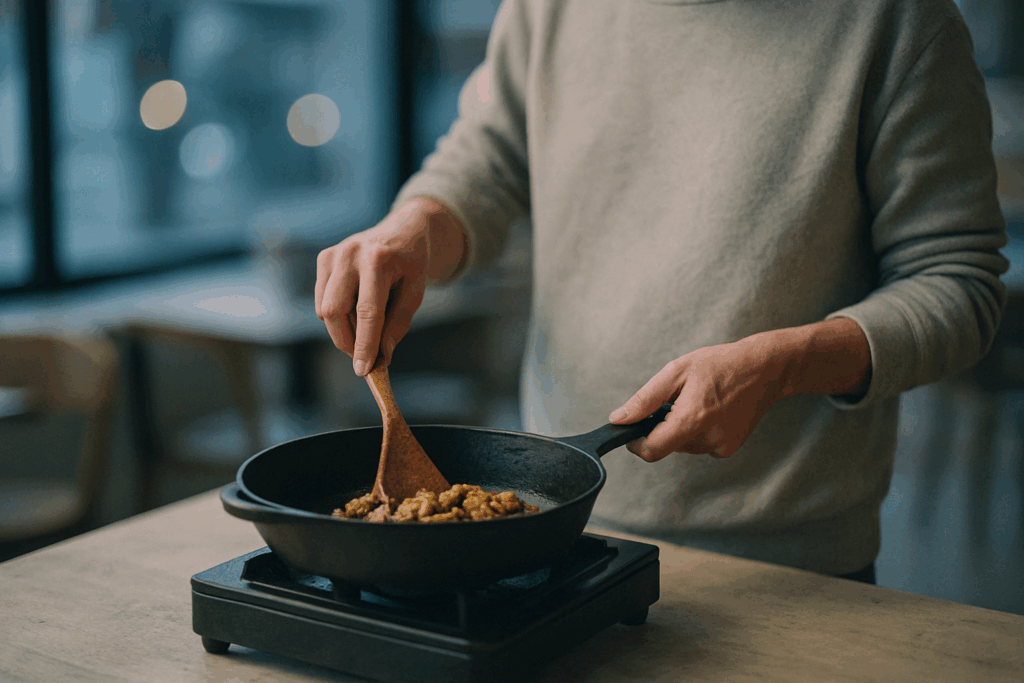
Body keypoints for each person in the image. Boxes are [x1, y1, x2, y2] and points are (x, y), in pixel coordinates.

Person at [315, 0, 1009, 581]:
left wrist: (783, 365)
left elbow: (958, 283)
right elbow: (489, 160)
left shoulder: (898, 21)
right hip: (552, 532)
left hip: (788, 568)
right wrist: (417, 224)